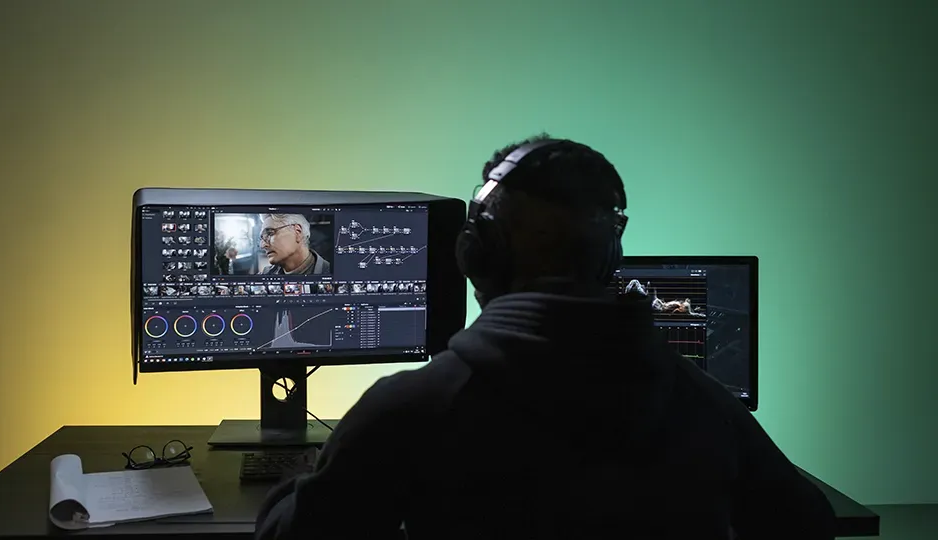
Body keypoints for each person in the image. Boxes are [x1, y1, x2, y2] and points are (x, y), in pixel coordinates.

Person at [254, 135, 836, 540]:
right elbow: (805, 523)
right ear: (607, 258)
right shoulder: (703, 402)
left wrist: (302, 484)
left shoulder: (413, 407)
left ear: (477, 252)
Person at [256, 213, 331, 275]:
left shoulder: (332, 272)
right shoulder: (265, 275)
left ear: (297, 232)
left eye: (270, 233)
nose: (263, 245)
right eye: (262, 238)